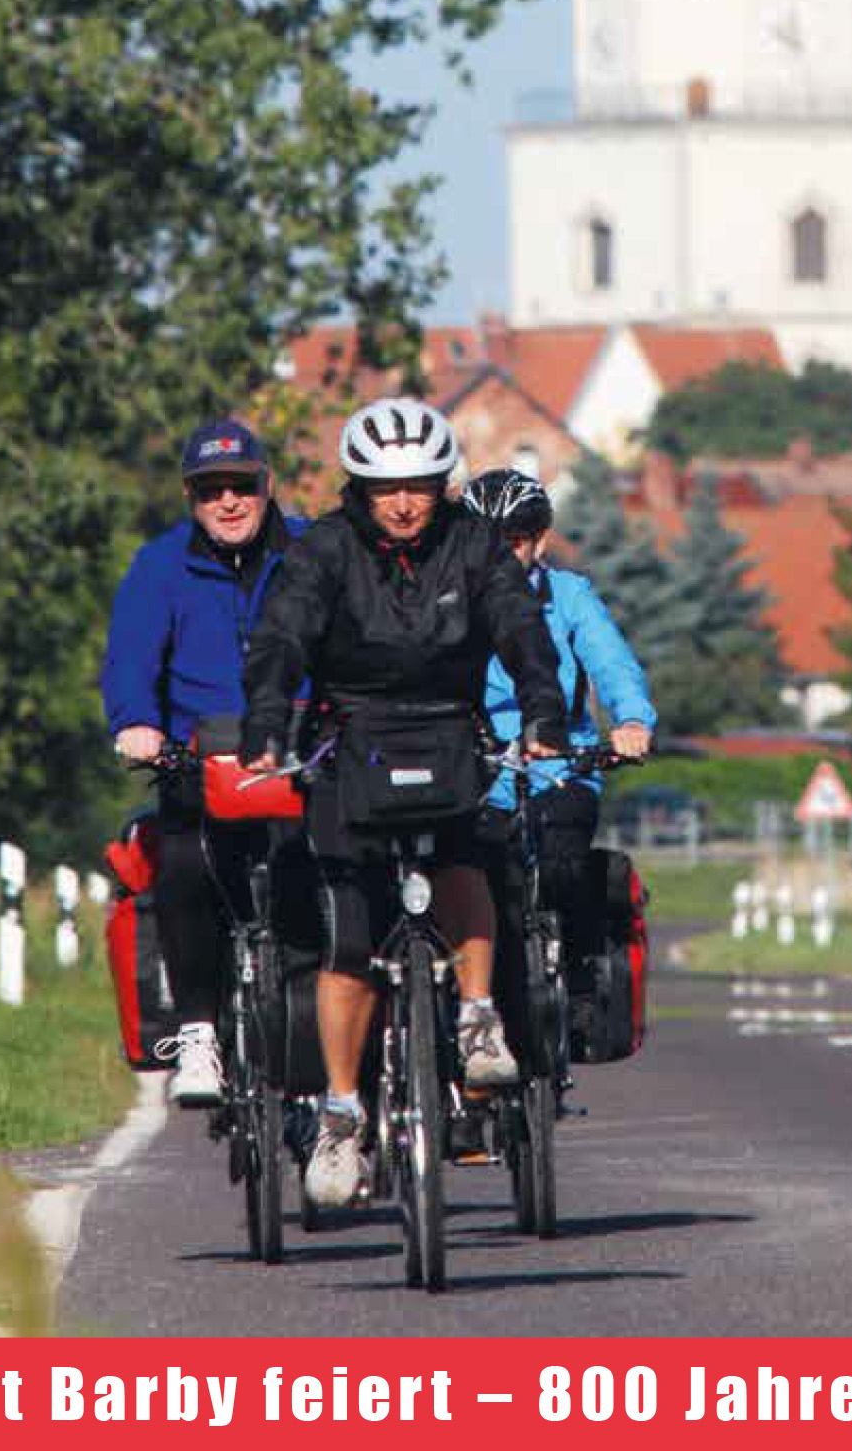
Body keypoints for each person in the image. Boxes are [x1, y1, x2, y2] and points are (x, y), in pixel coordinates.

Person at [240, 395, 568, 1213]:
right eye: (387, 488)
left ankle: (479, 1017)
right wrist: (267, 721)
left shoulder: (473, 545)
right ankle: (341, 1117)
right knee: (348, 937)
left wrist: (543, 708)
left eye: (419, 485)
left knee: (466, 858)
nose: (404, 502)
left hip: (448, 729)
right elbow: (282, 636)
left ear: (440, 483)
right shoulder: (324, 549)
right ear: (359, 487)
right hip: (351, 737)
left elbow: (521, 627)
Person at [100, 419, 308, 1106]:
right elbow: (130, 658)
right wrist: (136, 724)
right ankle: (198, 1032)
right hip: (198, 763)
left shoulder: (311, 551)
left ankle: (335, 1045)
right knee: (184, 864)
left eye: (240, 486)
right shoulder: (159, 566)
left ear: (266, 486)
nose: (228, 501)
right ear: (191, 497)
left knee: (332, 874)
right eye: (210, 490)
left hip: (299, 754)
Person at [462, 468, 655, 1027]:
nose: (498, 555)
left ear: (539, 541)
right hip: (476, 769)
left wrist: (632, 720)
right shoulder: (449, 601)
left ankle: (578, 976)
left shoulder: (569, 597)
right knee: (472, 876)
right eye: (484, 541)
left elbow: (613, 663)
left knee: (562, 863)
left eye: (512, 542)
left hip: (560, 767)